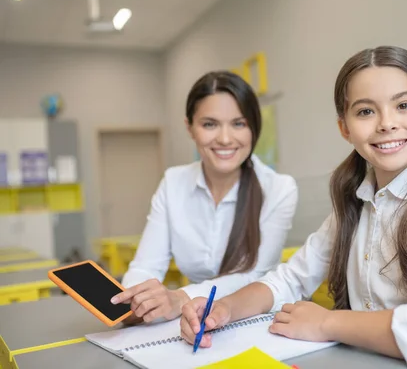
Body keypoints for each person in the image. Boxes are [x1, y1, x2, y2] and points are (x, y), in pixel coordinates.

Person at [179, 46, 407, 368]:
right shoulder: (354, 204)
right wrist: (225, 309)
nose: (386, 123)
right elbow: (288, 280)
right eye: (365, 112)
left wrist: (327, 323)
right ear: (344, 128)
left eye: (403, 105)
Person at [110, 71, 298, 325]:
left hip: (258, 322)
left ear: (254, 128)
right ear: (190, 128)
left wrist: (180, 298)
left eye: (239, 124)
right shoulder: (173, 183)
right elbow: (145, 266)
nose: (224, 138)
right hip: (195, 321)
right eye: (209, 124)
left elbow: (254, 275)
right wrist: (136, 302)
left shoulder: (279, 189)